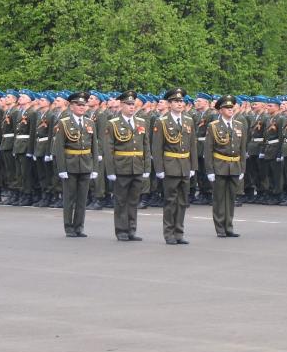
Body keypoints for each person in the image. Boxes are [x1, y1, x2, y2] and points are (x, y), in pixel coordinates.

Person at [103, 90, 151, 241]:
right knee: (121, 200)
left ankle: (131, 230)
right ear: (121, 105)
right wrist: (110, 170)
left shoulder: (141, 122)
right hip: (121, 167)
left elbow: (146, 146)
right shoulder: (113, 123)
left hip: (137, 166)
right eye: (128, 104)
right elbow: (108, 149)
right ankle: (121, 230)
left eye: (133, 104)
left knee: (133, 200)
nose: (131, 107)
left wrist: (147, 167)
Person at [152, 88, 198, 244]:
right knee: (170, 201)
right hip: (170, 166)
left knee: (183, 201)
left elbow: (192, 145)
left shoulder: (188, 120)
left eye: (181, 101)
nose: (180, 104)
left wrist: (193, 166)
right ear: (169, 104)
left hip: (185, 165)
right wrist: (159, 169)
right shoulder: (162, 121)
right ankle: (169, 233)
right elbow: (157, 147)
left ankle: (179, 233)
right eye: (176, 101)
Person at [51, 91, 99, 237]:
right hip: (70, 164)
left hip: (85, 164)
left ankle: (79, 227)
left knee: (82, 198)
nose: (82, 107)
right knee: (69, 198)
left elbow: (94, 146)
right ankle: (69, 227)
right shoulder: (64, 122)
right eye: (78, 105)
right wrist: (61, 168)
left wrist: (94, 167)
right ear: (71, 106)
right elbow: (59, 147)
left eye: (83, 105)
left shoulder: (90, 123)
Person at [204, 94, 246, 237]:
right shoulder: (213, 126)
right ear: (220, 110)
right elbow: (208, 150)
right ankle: (220, 228)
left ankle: (229, 226)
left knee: (231, 198)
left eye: (231, 107)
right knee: (219, 199)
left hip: (234, 166)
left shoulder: (239, 125)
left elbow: (242, 149)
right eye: (227, 107)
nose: (230, 109)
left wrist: (242, 168)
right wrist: (210, 170)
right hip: (220, 166)